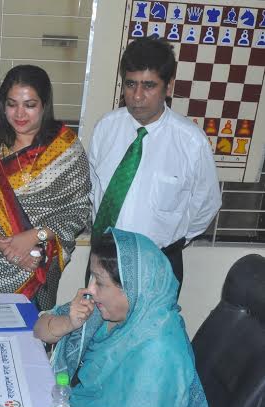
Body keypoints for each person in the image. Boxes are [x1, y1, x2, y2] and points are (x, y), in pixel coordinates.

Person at [34, 229, 210, 407]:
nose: (90, 290)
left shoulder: (158, 352)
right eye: (92, 276)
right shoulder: (115, 314)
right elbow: (39, 329)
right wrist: (69, 321)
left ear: (131, 288)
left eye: (100, 282)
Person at [89, 36, 221, 290]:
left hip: (160, 260)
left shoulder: (191, 141)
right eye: (130, 84)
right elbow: (94, 189)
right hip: (104, 258)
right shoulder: (106, 127)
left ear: (168, 87)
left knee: (152, 330)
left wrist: (174, 241)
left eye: (149, 85)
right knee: (96, 327)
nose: (137, 96)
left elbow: (207, 203)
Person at [0, 65, 90, 311]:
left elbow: (78, 211)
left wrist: (34, 237)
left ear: (44, 105)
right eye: (12, 104)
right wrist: (2, 244)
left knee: (31, 338)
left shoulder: (65, 148)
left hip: (37, 267)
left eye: (30, 105)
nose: (20, 113)